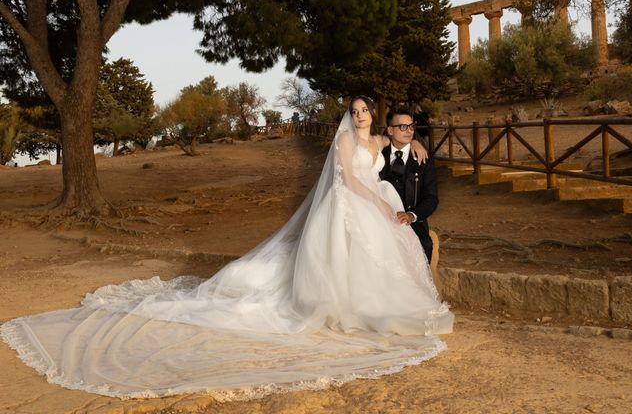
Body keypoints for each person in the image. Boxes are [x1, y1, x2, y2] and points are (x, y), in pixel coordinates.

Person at [1, 96, 453, 401]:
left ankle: (378, 303)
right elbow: (352, 179)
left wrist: (415, 143)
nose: (359, 117)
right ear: (349, 116)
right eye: (353, 112)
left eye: (363, 111)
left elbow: (391, 151)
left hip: (379, 206)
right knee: (342, 256)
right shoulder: (343, 142)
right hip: (350, 204)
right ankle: (342, 306)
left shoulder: (383, 140)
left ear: (375, 115)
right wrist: (375, 200)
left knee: (378, 257)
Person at [380, 106, 438, 263]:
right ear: (390, 131)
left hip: (411, 222)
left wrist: (412, 216)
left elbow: (431, 198)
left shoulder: (424, 158)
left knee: (423, 245)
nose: (409, 131)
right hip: (380, 220)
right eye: (403, 127)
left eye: (411, 126)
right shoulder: (377, 155)